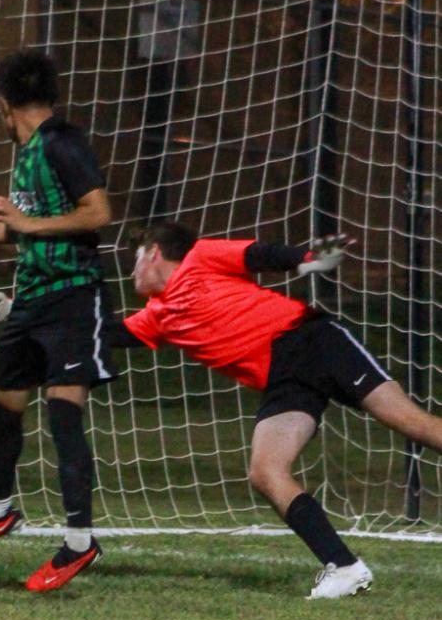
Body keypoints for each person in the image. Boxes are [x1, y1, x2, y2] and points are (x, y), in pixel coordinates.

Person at [117, 221, 442, 597]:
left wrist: (306, 258)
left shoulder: (200, 258)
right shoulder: (155, 316)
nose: (131, 271)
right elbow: (103, 335)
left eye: (135, 259)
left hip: (313, 342)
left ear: (154, 252)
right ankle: (345, 567)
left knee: (411, 422)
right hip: (284, 380)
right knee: (266, 470)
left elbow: (260, 254)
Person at [0, 47, 115, 592]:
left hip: (71, 298)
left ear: (5, 101)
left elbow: (97, 213)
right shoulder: (29, 150)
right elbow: (27, 226)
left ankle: (79, 544)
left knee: (63, 416)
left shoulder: (63, 142)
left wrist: (27, 224)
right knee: (4, 407)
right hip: (31, 296)